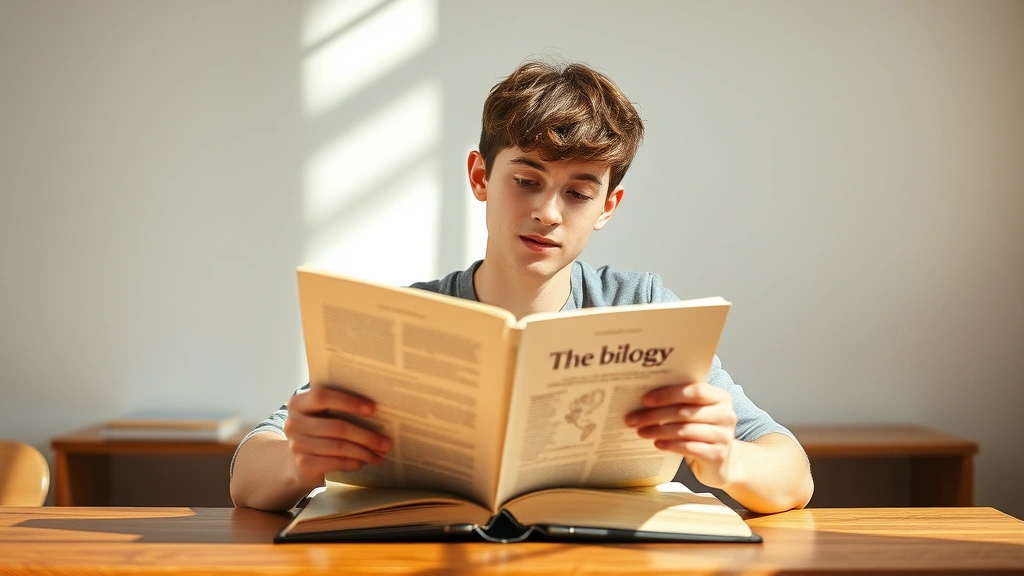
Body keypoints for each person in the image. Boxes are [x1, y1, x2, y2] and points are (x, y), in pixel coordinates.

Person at [229, 60, 814, 514]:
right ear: (481, 177)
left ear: (608, 207)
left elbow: (792, 474)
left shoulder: (643, 306)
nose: (549, 213)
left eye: (578, 193)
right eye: (527, 181)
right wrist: (300, 460)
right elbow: (250, 471)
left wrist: (725, 460)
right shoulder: (408, 315)